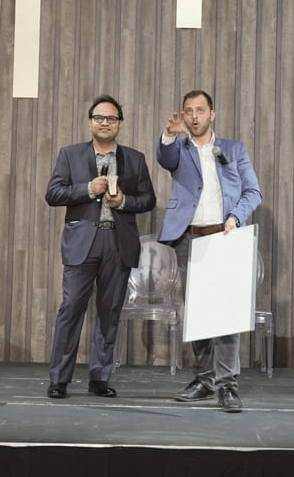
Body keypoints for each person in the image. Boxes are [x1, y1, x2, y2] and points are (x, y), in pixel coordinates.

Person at [156, 89, 262, 413]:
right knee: (198, 314)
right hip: (191, 240)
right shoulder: (179, 148)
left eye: (200, 110)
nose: (194, 116)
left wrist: (235, 217)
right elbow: (165, 159)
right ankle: (204, 380)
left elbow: (253, 192)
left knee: (226, 314)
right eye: (189, 110)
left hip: (225, 237)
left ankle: (227, 385)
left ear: (212, 114)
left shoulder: (234, 149)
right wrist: (168, 135)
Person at [45, 94, 156, 399]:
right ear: (90, 122)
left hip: (117, 243)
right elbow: (53, 193)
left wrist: (125, 202)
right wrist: (87, 189)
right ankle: (59, 379)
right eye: (99, 118)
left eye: (111, 118)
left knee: (110, 313)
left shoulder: (135, 159)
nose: (105, 123)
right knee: (71, 309)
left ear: (120, 123)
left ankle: (99, 377)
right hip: (82, 242)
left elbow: (148, 199)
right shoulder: (70, 155)